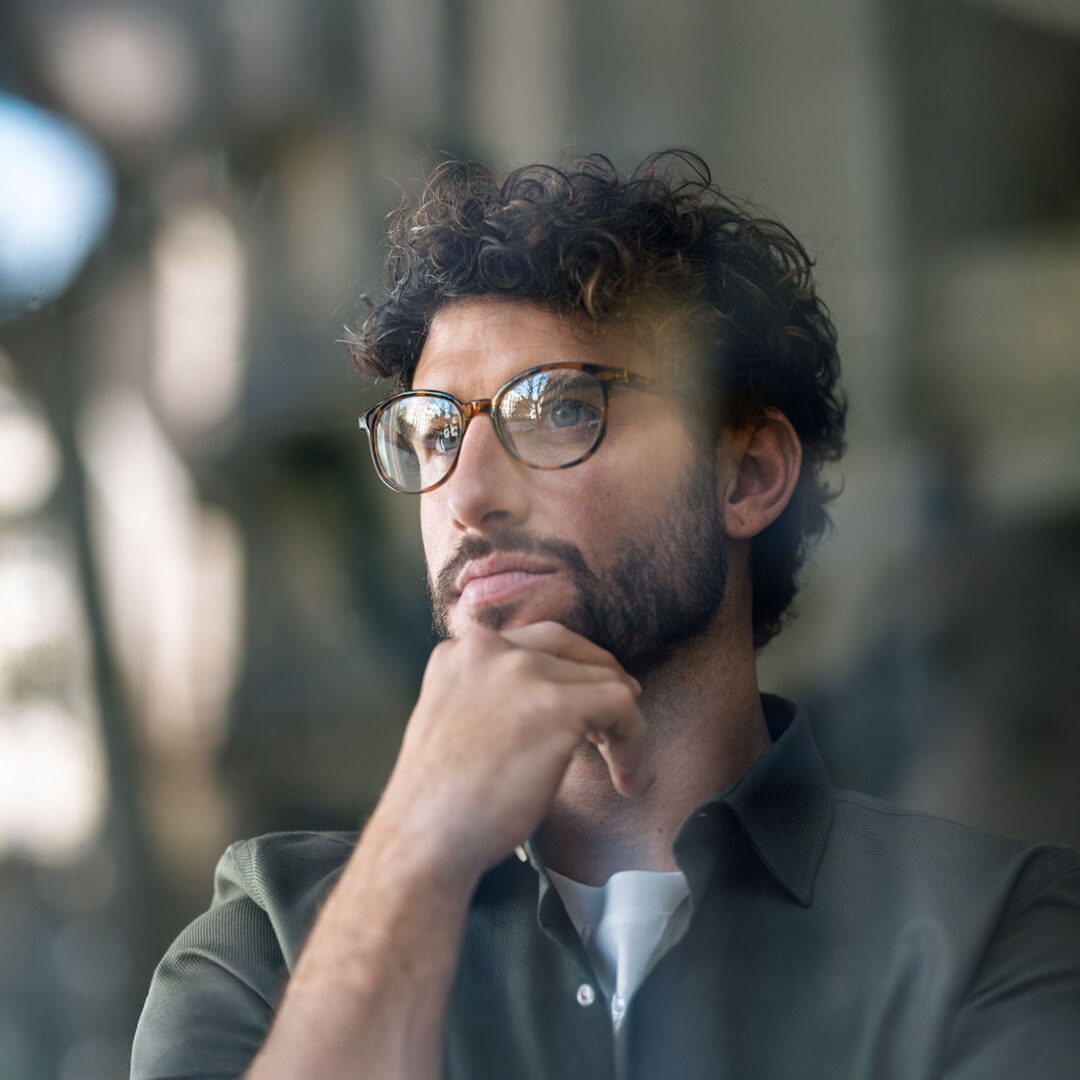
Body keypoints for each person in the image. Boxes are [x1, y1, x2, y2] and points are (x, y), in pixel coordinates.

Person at [130, 151, 1080, 1080]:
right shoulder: (270, 942)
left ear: (746, 476)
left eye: (555, 410)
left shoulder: (994, 928)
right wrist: (416, 848)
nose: (468, 495)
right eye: (433, 432)